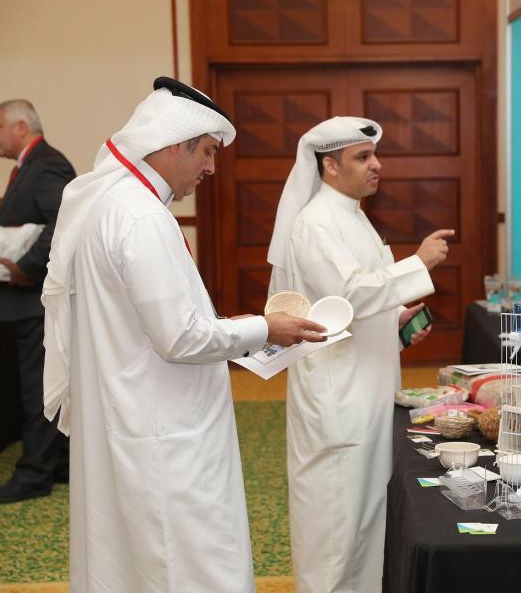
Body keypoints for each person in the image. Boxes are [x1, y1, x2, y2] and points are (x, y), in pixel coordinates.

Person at [41, 77, 326, 593]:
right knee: (184, 566)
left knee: (138, 563)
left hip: (136, 416)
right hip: (163, 432)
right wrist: (266, 327)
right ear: (174, 143)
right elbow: (181, 338)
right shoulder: (141, 216)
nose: (212, 168)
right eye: (208, 152)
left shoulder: (115, 204)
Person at [267, 116, 452, 593]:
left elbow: (351, 307)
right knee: (336, 528)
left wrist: (396, 325)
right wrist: (418, 264)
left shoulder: (353, 215)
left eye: (374, 155)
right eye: (362, 157)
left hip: (366, 390)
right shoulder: (315, 223)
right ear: (330, 166)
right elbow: (347, 293)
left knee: (368, 522)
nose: (376, 165)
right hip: (338, 399)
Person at [0, 99, 75, 504]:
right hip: (27, 301)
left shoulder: (47, 164)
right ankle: (60, 462)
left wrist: (26, 266)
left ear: (21, 126)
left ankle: (35, 473)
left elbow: (64, 223)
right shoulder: (31, 164)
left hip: (36, 300)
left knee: (38, 389)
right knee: (42, 385)